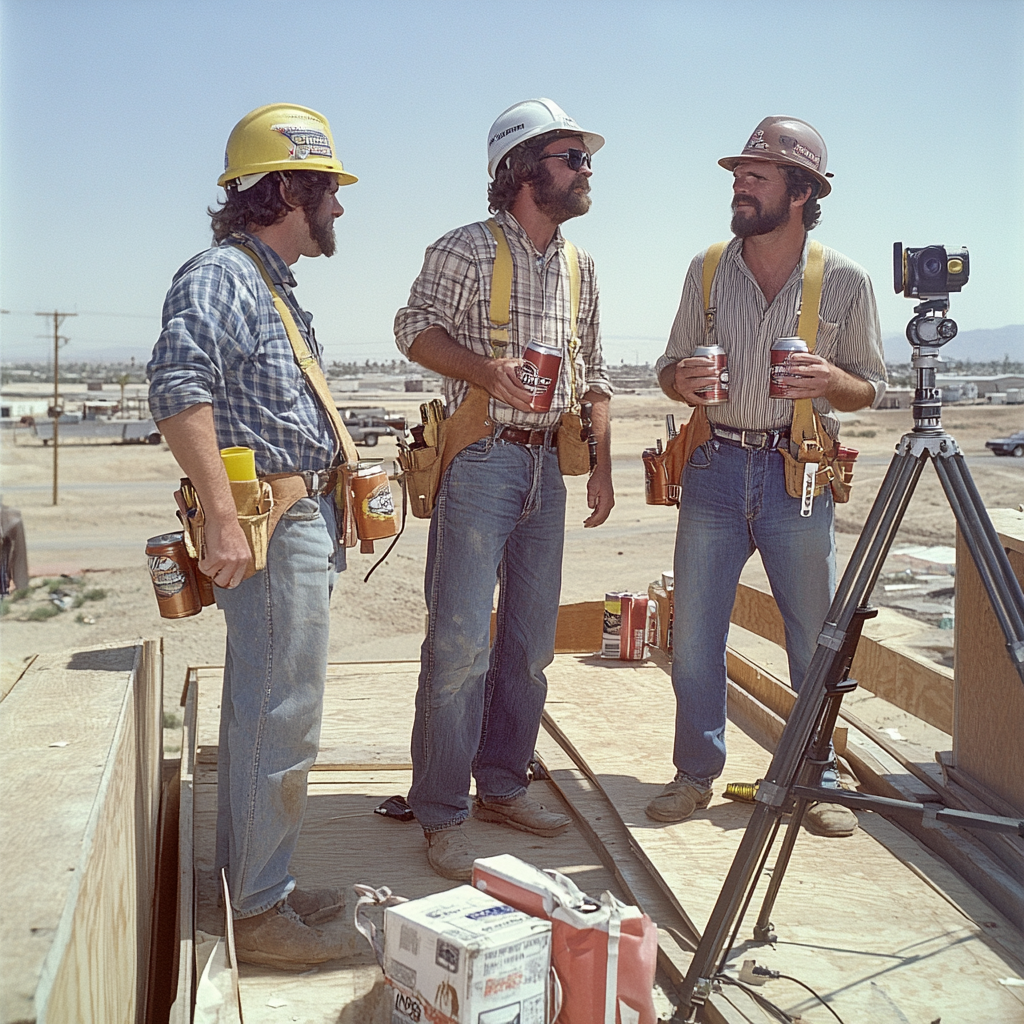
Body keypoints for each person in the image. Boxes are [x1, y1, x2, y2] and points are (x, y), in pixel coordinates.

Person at [148, 104, 359, 967]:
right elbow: (176, 385)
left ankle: (251, 884)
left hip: (291, 517)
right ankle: (260, 915)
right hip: (268, 527)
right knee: (283, 711)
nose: (339, 209)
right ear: (284, 189)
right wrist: (225, 517)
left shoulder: (265, 280)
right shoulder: (222, 277)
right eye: (328, 192)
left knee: (261, 709)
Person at [394, 98, 615, 880]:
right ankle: (442, 809)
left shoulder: (581, 266)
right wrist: (486, 372)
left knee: (527, 644)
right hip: (482, 458)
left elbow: (590, 368)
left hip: (547, 467)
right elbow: (411, 327)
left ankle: (502, 785)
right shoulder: (464, 249)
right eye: (570, 158)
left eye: (584, 159)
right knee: (458, 642)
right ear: (522, 170)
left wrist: (603, 464)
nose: (586, 170)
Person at [649, 116, 887, 838]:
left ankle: (817, 778)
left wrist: (830, 379)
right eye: (737, 175)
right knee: (693, 635)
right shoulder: (707, 268)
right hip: (716, 465)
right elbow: (666, 369)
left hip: (799, 471)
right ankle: (696, 773)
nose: (738, 185)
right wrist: (680, 379)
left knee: (812, 634)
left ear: (801, 189)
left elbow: (872, 387)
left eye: (755, 176)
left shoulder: (844, 281)